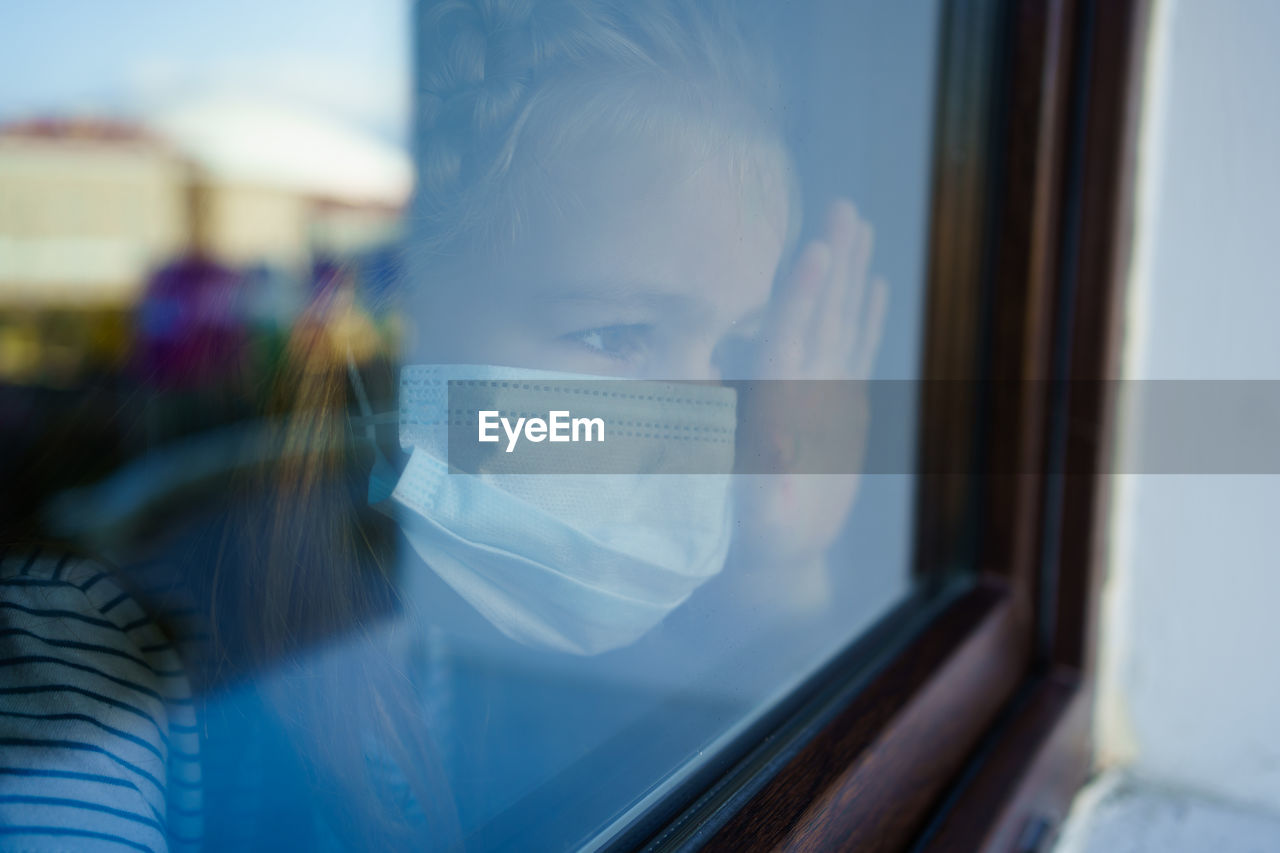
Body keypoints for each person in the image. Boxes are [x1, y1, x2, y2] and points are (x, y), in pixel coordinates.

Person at [0, 0, 885, 848]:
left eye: (732, 352)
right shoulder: (95, 657)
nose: (703, 439)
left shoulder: (527, 632)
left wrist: (783, 566)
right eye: (618, 335)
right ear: (395, 339)